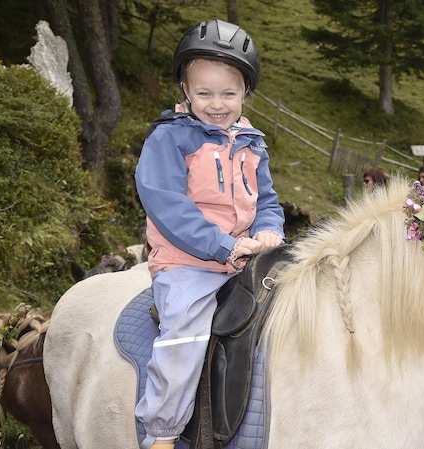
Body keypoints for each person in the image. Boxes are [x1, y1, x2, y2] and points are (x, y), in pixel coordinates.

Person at [133, 19, 285, 449]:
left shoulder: (252, 143)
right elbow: (168, 208)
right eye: (204, 93)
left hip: (246, 258)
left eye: (228, 94)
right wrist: (224, 245)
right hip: (189, 262)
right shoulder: (169, 138)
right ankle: (161, 434)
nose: (217, 104)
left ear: (245, 94)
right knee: (185, 333)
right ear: (185, 90)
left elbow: (268, 202)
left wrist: (270, 230)